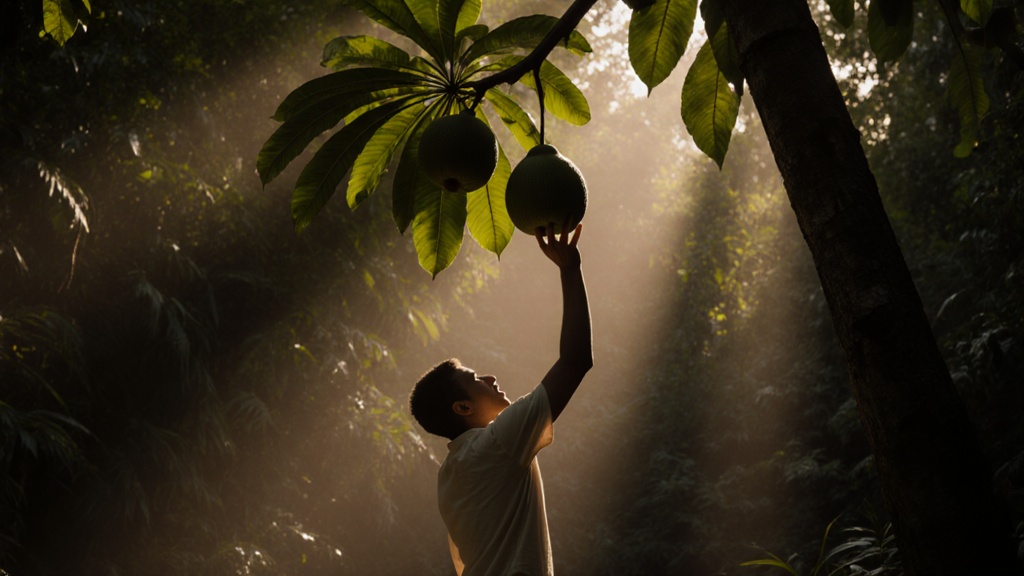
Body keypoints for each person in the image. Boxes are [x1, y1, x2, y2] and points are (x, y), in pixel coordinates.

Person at [409, 220, 593, 576]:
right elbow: (576, 361)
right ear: (463, 407)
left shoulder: (448, 476)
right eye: (474, 378)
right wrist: (571, 269)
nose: (490, 377)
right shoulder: (497, 444)